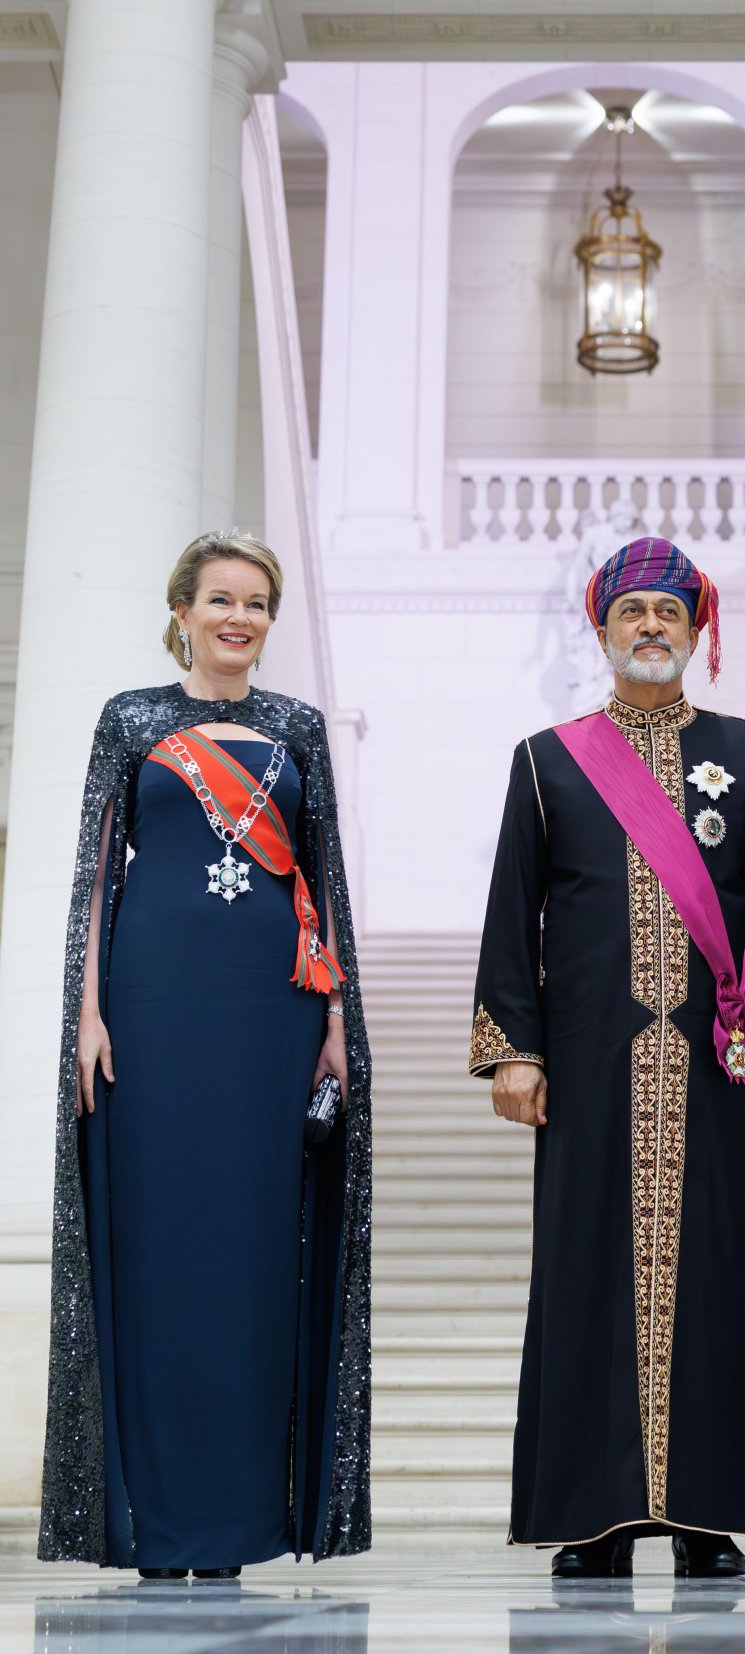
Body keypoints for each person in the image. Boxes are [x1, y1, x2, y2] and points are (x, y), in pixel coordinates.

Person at [471, 536, 745, 1579]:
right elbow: (510, 914)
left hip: (714, 1067)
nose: (653, 627)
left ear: (697, 627)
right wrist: (514, 1050)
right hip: (587, 1067)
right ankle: (599, 1516)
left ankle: (707, 1513)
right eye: (635, 614)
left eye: (671, 611)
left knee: (718, 1273)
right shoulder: (546, 758)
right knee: (585, 1276)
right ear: (604, 630)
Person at [37, 531, 372, 1578]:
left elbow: (323, 882)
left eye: (259, 603)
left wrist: (335, 1024)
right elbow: (95, 874)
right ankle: (157, 1522)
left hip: (270, 1013)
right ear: (182, 607)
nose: (241, 618)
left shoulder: (297, 728)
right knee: (159, 1249)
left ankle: (238, 1525)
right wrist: (86, 1014)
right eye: (222, 598)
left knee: (251, 1252)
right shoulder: (131, 719)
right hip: (149, 1004)